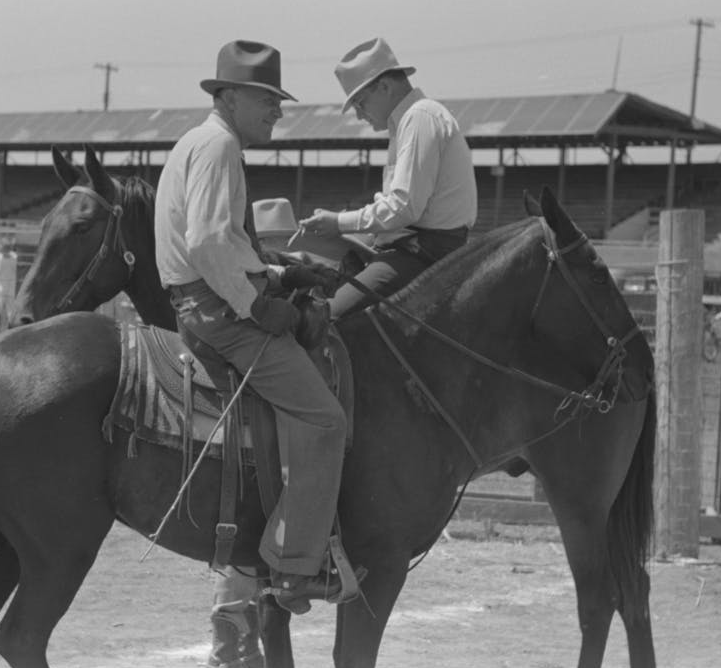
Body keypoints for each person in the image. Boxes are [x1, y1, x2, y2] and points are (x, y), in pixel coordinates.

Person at [154, 40, 356, 633]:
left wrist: (281, 273)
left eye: (277, 100)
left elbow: (222, 244)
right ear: (230, 96)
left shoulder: (201, 141)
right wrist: (258, 304)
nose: (276, 110)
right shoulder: (219, 146)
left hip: (200, 299)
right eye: (267, 99)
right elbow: (210, 244)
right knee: (326, 420)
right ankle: (293, 566)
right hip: (221, 311)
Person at [299, 37, 478, 319]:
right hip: (412, 245)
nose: (359, 115)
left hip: (421, 254)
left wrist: (339, 222)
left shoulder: (419, 118)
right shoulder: (411, 120)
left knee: (326, 317)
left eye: (360, 102)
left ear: (384, 86)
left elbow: (404, 207)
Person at [0, 238, 18, 334]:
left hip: (11, 285)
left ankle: (11, 329)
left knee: (11, 310)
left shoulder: (15, 257)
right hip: (0, 285)